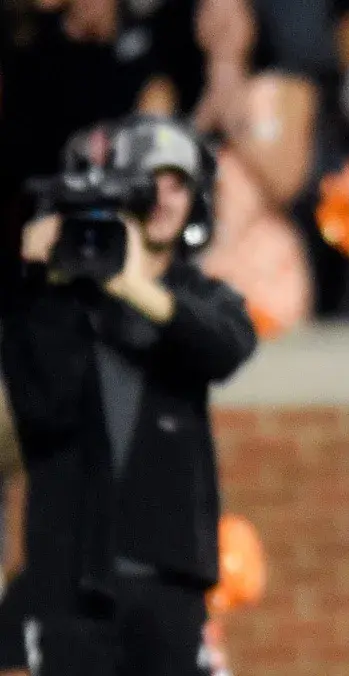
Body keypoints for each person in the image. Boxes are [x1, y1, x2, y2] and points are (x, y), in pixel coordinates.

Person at [0, 115, 257, 676]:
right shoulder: (56, 295)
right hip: (71, 578)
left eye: (177, 183)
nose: (162, 197)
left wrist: (132, 285)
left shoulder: (197, 294)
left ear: (197, 200)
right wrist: (36, 278)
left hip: (170, 579)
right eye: (146, 181)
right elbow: (40, 411)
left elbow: (228, 346)